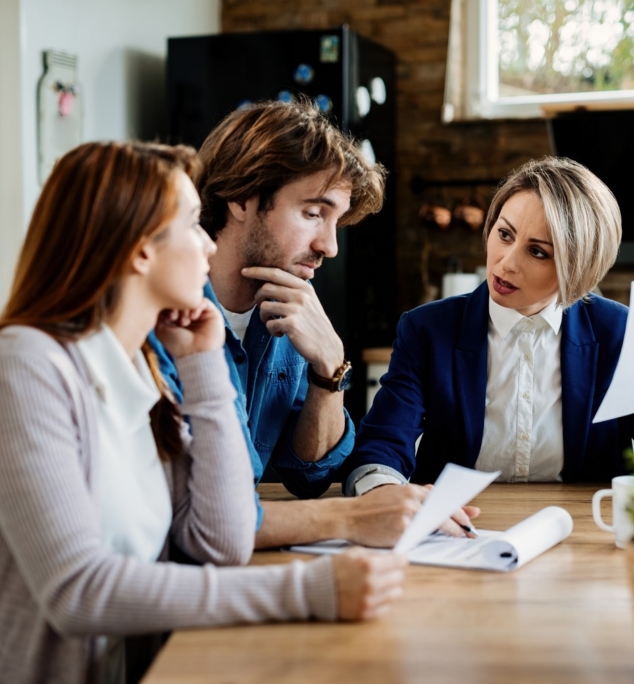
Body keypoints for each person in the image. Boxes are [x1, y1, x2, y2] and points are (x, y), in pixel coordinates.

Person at [0, 141, 406, 683]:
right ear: (139, 250)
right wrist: (306, 590)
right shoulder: (23, 365)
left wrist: (203, 362)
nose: (207, 244)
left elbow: (220, 538)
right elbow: (77, 593)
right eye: (193, 223)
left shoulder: (143, 366)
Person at [340, 157, 634, 491]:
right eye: (505, 234)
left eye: (538, 251)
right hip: (456, 534)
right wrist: (386, 497)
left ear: (578, 267)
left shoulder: (617, 333)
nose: (505, 263)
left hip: (581, 538)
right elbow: (379, 449)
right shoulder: (426, 329)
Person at [154, 100, 476, 548]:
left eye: (336, 222)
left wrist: (331, 369)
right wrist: (355, 514)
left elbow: (309, 473)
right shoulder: (163, 319)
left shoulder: (290, 312)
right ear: (242, 198)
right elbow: (205, 503)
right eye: (312, 213)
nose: (329, 246)